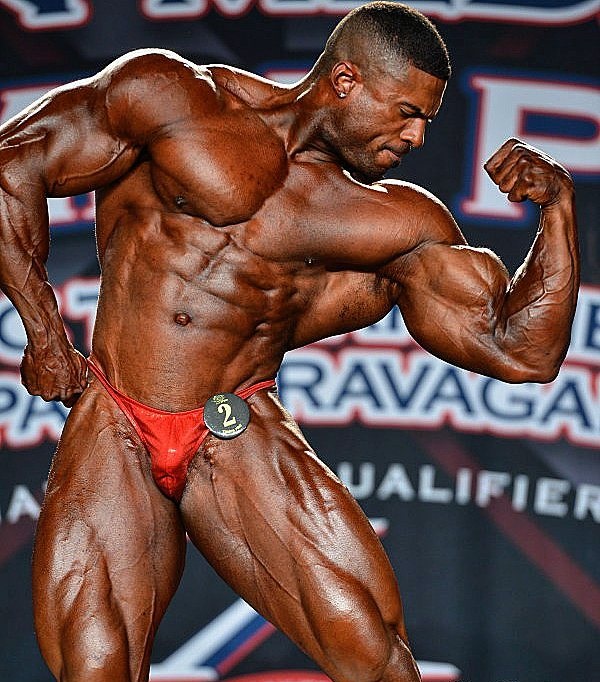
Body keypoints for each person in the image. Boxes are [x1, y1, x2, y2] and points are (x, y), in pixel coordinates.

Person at [0, 2, 578, 681]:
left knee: (374, 654)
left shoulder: (393, 221)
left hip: (233, 423)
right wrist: (43, 334)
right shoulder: (170, 95)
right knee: (96, 666)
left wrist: (559, 210)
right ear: (345, 80)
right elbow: (13, 169)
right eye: (407, 112)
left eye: (427, 119)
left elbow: (522, 351)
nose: (417, 137)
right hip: (117, 413)